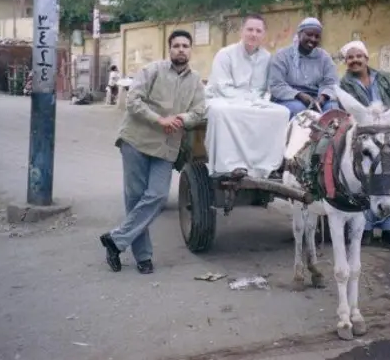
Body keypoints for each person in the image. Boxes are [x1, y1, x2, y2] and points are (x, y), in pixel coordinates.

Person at [99, 30, 206, 274]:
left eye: (185, 46)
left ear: (190, 50)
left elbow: (200, 111)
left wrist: (181, 118)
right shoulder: (153, 70)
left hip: (167, 147)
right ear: (169, 49)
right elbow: (133, 101)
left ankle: (116, 240)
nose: (181, 49)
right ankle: (143, 257)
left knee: (157, 196)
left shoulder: (195, 80)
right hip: (137, 141)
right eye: (176, 45)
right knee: (135, 198)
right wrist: (160, 120)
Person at [339, 40, 390, 246]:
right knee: (366, 181)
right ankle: (365, 230)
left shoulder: (386, 79)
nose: (355, 61)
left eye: (358, 56)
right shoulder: (343, 85)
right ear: (346, 62)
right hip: (366, 141)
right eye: (350, 58)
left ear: (366, 58)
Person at [205, 14, 290, 178]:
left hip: (254, 102)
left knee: (282, 113)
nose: (254, 34)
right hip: (223, 99)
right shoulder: (225, 54)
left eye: (258, 31)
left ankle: (267, 165)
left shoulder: (266, 57)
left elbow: (267, 89)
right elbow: (222, 87)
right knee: (221, 112)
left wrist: (260, 101)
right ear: (241, 32)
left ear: (263, 35)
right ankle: (229, 165)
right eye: (250, 29)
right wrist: (248, 101)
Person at [268, 17, 340, 118]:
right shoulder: (282, 56)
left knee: (333, 109)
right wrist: (299, 95)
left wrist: (323, 97)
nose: (313, 39)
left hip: (316, 98)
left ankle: (329, 134)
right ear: (299, 34)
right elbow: (276, 85)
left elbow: (332, 83)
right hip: (288, 98)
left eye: (317, 36)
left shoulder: (324, 57)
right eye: (309, 34)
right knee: (300, 110)